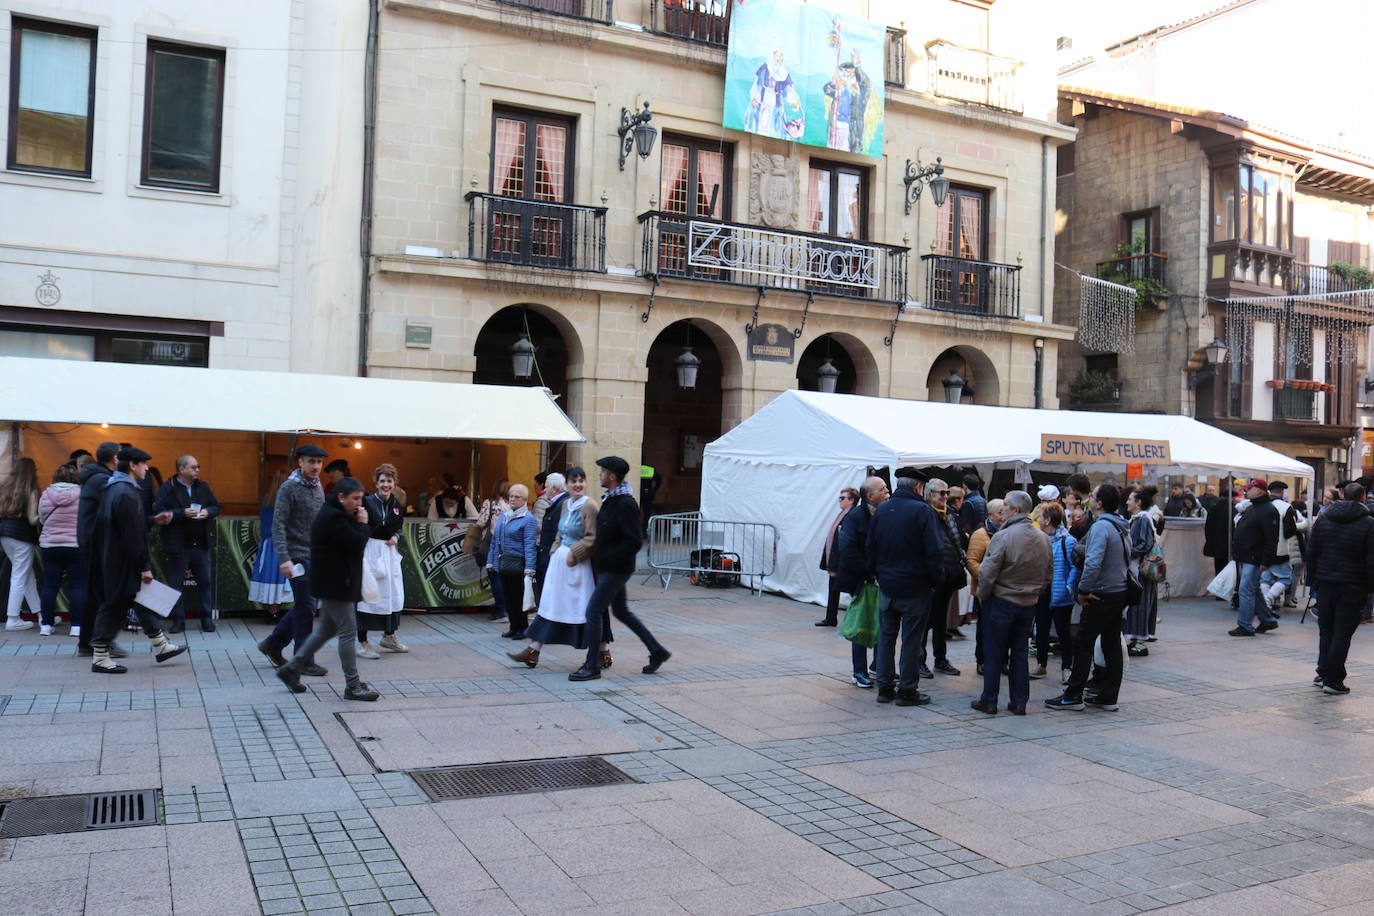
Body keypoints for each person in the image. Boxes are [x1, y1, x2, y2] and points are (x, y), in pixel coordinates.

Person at [274, 477, 380, 701]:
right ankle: (352, 685)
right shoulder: (334, 518)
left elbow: (369, 528)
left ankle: (291, 669)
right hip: (336, 584)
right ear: (341, 497)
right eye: (355, 499)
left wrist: (361, 518)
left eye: (361, 498)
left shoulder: (337, 513)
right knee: (348, 632)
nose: (359, 503)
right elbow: (356, 543)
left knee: (326, 631)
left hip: (333, 582)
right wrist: (362, 523)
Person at [569, 456, 670, 681]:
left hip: (616, 568)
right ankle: (657, 651)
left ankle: (592, 665)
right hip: (610, 567)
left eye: (603, 472)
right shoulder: (612, 499)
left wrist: (607, 558)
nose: (600, 475)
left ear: (612, 476)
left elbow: (634, 541)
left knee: (593, 611)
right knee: (621, 611)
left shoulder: (625, 504)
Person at [88, 447, 188, 674]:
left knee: (140, 599)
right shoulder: (126, 492)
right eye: (143, 464)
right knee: (114, 606)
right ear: (132, 466)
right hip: (122, 562)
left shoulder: (115, 488)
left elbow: (128, 525)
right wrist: (144, 566)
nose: (147, 468)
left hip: (114, 559)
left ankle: (160, 645)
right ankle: (100, 657)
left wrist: (152, 520)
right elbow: (132, 535)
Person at [1046, 484, 1131, 711]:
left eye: (1093, 496)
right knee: (1111, 643)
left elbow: (1094, 562)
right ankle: (1108, 697)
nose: (1089, 498)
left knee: (1083, 642)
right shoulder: (1120, 524)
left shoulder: (1102, 526)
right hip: (1118, 591)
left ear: (1100, 503)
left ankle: (1073, 695)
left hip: (1101, 593)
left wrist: (1083, 590)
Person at [509, 467, 602, 669]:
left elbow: (593, 537)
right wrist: (555, 548)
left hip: (578, 565)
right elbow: (561, 531)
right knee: (551, 605)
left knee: (582, 609)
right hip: (560, 563)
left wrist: (574, 553)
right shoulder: (566, 504)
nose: (578, 485)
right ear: (566, 485)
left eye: (581, 481)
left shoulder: (589, 505)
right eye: (573, 481)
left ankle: (601, 652)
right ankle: (533, 650)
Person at [865, 466, 944, 706]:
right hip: (915, 586)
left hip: (888, 585)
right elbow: (934, 551)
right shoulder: (922, 511)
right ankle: (907, 690)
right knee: (911, 640)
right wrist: (935, 581)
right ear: (919, 487)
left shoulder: (882, 510)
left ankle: (885, 687)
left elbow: (871, 547)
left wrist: (877, 574)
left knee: (886, 638)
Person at [973, 490, 1052, 715]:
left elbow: (988, 572)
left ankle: (989, 700)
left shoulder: (1004, 536)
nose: (1003, 509)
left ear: (1016, 510)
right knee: (1020, 651)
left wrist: (983, 596)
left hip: (1002, 600)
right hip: (1028, 602)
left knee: (994, 651)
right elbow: (1048, 574)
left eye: (1006, 505)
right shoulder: (1043, 538)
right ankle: (1019, 702)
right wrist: (1034, 592)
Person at [258, 445, 330, 677]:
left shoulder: (317, 486)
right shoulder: (289, 487)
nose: (316, 466)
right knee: (307, 608)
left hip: (315, 555)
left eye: (319, 462)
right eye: (311, 461)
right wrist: (284, 558)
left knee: (304, 606)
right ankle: (304, 660)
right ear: (300, 462)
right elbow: (278, 524)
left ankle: (273, 643)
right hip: (296, 555)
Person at [1307, 482, 1374, 694]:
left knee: (1326, 630)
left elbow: (1312, 551)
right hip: (1353, 585)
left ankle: (1323, 672)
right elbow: (1371, 561)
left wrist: (1312, 580)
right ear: (1362, 498)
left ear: (1343, 495)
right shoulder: (1368, 524)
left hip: (1325, 582)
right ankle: (1333, 679)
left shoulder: (1324, 518)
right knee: (1342, 633)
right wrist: (1370, 588)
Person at [151, 455, 221, 633]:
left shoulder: (202, 486)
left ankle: (206, 620)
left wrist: (207, 512)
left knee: (205, 583)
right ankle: (178, 621)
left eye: (198, 467)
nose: (197, 470)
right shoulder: (168, 488)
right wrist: (182, 513)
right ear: (181, 469)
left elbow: (216, 506)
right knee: (175, 585)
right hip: (177, 545)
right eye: (194, 467)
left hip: (201, 544)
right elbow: (158, 511)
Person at [834, 477, 887, 687]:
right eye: (882, 489)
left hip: (883, 578)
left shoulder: (886, 512)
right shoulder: (855, 517)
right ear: (870, 496)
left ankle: (878, 665)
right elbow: (847, 549)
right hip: (863, 579)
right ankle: (859, 671)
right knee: (862, 624)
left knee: (883, 623)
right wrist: (868, 572)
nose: (887, 492)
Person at [1228, 478, 1292, 637]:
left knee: (1246, 590)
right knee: (1253, 590)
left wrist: (1266, 561)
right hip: (1245, 556)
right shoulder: (1253, 507)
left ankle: (1245, 625)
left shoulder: (1268, 510)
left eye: (1249, 488)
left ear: (1259, 491)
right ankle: (1267, 619)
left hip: (1253, 557)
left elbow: (1272, 538)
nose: (1246, 491)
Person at [356, 463, 407, 658]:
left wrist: (396, 536)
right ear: (376, 483)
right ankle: (362, 642)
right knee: (368, 595)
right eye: (382, 481)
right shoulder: (367, 501)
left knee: (392, 594)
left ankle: (389, 636)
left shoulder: (396, 505)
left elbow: (399, 528)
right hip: (370, 550)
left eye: (389, 481)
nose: (386, 484)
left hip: (389, 554)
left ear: (395, 483)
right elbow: (359, 524)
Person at [76, 441, 120, 657]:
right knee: (102, 596)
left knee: (95, 595)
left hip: (92, 543)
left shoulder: (96, 478)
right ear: (115, 459)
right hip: (97, 544)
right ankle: (100, 642)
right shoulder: (102, 480)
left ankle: (88, 643)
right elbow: (114, 512)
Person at [920, 479, 963, 677]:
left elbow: (957, 542)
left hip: (948, 575)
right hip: (931, 576)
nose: (946, 497)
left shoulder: (950, 514)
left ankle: (941, 659)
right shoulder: (924, 514)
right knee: (925, 620)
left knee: (940, 620)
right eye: (941, 493)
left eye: (947, 493)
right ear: (930, 495)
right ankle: (919, 660)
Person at [37, 463, 84, 637]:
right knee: (76, 586)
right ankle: (76, 626)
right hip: (74, 545)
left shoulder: (46, 494)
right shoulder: (82, 495)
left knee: (50, 586)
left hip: (50, 545)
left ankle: (46, 625)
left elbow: (42, 518)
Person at [487, 483, 538, 640]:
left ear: (525, 500)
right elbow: (495, 541)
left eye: (517, 497)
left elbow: (529, 545)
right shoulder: (504, 516)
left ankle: (522, 628)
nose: (513, 499)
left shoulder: (528, 519)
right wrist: (490, 561)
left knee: (518, 598)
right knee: (508, 597)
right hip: (503, 563)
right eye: (511, 496)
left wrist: (530, 567)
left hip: (518, 564)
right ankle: (513, 627)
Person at [1034, 503, 1078, 682]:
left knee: (1063, 631)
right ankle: (1041, 664)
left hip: (1060, 593)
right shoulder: (1040, 539)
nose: (1037, 520)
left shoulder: (1068, 541)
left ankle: (1067, 667)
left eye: (1040, 516)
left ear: (1048, 520)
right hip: (1043, 591)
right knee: (1041, 630)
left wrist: (1069, 586)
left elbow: (1075, 566)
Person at [0, 457, 42, 631]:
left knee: (27, 576)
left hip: (5, 535)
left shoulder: (5, 488)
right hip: (22, 537)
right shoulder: (31, 490)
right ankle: (13, 618)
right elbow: (32, 519)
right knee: (19, 576)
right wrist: (45, 514)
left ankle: (42, 615)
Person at [967, 498, 1007, 676]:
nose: (1003, 516)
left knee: (1003, 628)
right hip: (985, 590)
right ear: (990, 515)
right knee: (985, 628)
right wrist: (986, 577)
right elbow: (971, 560)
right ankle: (982, 660)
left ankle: (1003, 661)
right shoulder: (980, 534)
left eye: (1004, 512)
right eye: (999, 513)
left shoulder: (1007, 532)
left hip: (1004, 589)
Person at [250, 470, 293, 619]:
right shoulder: (287, 500)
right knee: (280, 578)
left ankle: (271, 611)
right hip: (282, 544)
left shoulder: (268, 500)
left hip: (269, 544)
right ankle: (276, 612)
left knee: (271, 578)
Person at [816, 487, 859, 627]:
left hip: (844, 560)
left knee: (853, 590)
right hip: (836, 559)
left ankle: (857, 619)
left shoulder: (851, 515)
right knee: (834, 589)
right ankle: (831, 618)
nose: (839, 501)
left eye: (842, 498)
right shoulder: (843, 514)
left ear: (851, 500)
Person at [1123, 487, 1158, 656]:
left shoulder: (1143, 518)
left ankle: (1141, 643)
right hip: (1137, 568)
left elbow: (1145, 544)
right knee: (1137, 604)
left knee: (1141, 605)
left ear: (1138, 502)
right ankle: (1136, 640)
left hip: (1141, 570)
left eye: (1130, 499)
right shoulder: (1138, 518)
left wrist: (1128, 552)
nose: (1127, 502)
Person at [534, 473, 567, 603]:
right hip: (549, 556)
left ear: (553, 489)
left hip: (551, 557)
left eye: (546, 487)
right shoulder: (558, 503)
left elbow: (557, 532)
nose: (545, 490)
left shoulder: (561, 504)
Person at [958, 474, 987, 539]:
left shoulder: (968, 502)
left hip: (973, 536)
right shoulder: (983, 500)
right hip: (983, 534)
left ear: (965, 485)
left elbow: (966, 524)